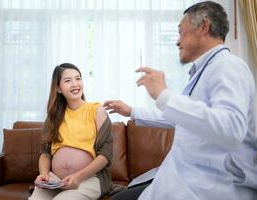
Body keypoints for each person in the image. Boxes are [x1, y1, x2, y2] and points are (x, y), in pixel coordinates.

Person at [104, 1, 257, 200]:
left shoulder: (228, 67)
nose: (177, 41)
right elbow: (182, 118)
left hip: (211, 189)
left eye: (181, 32)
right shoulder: (207, 70)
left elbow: (231, 128)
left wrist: (164, 94)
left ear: (203, 26)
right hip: (185, 180)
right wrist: (131, 111)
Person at [29, 63, 114, 200]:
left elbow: (106, 155)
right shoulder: (53, 116)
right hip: (55, 180)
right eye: (68, 80)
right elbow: (45, 153)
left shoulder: (97, 111)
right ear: (58, 88)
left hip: (88, 179)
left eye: (78, 78)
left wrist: (78, 176)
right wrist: (44, 174)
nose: (75, 84)